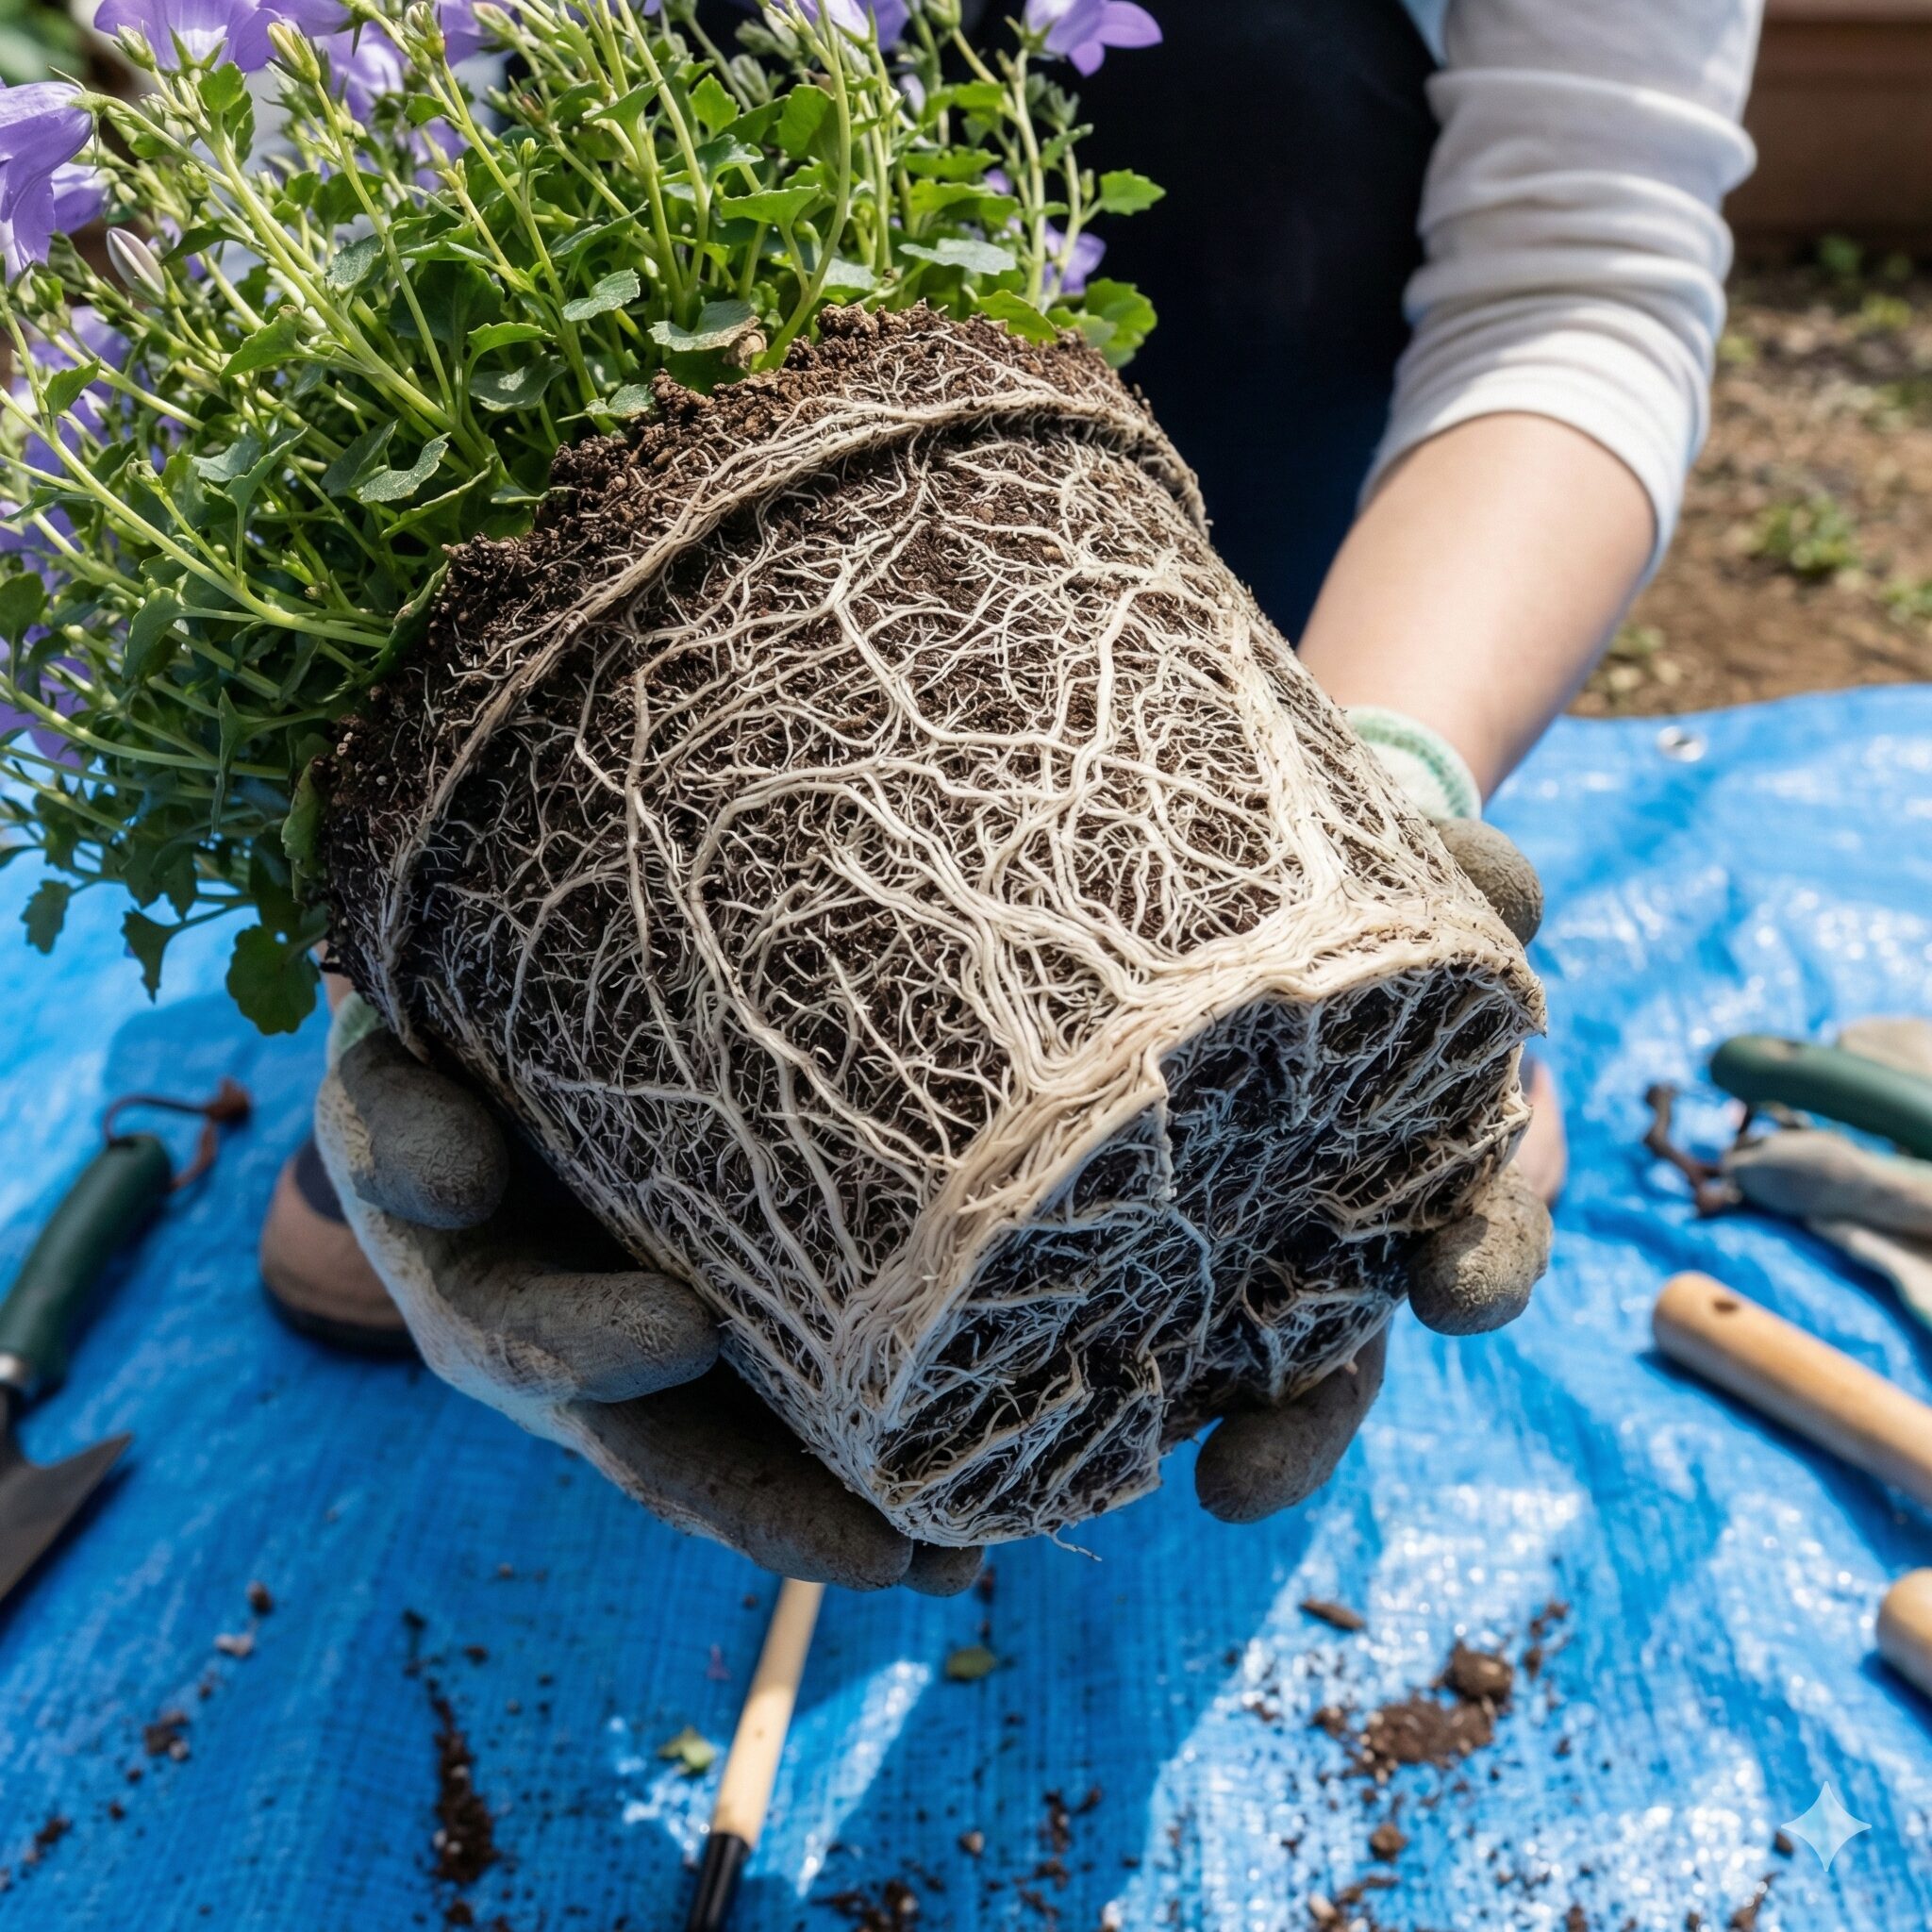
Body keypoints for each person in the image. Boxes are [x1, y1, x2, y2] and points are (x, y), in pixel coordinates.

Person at [267, 0, 1763, 1588]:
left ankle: (1300, 860)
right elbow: (318, 263)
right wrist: (410, 948)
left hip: (1237, 642)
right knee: (398, 1263)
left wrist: (1379, 773)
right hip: (606, 711)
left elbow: (1579, 274)